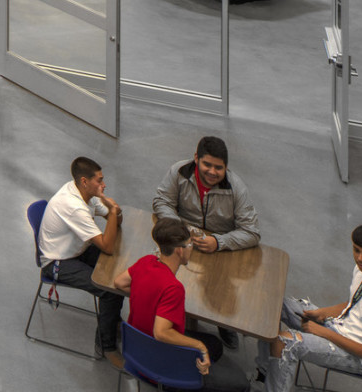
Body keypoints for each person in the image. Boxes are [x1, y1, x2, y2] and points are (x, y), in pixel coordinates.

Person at [258, 223, 362, 392]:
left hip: (360, 358)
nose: (359, 258)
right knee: (275, 305)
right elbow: (353, 305)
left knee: (285, 344)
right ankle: (265, 373)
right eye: (356, 250)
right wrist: (322, 313)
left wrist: (324, 333)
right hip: (341, 328)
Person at [109, 217, 250, 390]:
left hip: (137, 350)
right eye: (190, 245)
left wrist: (146, 296)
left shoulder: (146, 261)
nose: (192, 249)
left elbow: (119, 282)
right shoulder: (173, 288)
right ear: (179, 251)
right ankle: (178, 384)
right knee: (241, 383)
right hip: (162, 363)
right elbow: (161, 333)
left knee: (215, 344)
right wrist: (200, 347)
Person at [37, 156, 126, 364]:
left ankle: (112, 321)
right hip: (57, 261)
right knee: (109, 290)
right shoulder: (74, 206)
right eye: (99, 180)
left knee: (117, 271)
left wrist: (111, 209)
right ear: (84, 181)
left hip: (77, 249)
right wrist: (112, 210)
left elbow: (117, 221)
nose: (104, 185)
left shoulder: (86, 192)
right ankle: (106, 346)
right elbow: (107, 245)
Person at [151, 135, 260, 254]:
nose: (212, 172)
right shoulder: (179, 172)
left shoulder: (237, 188)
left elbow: (251, 232)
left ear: (226, 167)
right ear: (196, 158)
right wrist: (179, 229)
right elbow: (162, 201)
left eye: (218, 168)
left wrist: (218, 242)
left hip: (219, 252)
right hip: (182, 243)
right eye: (207, 165)